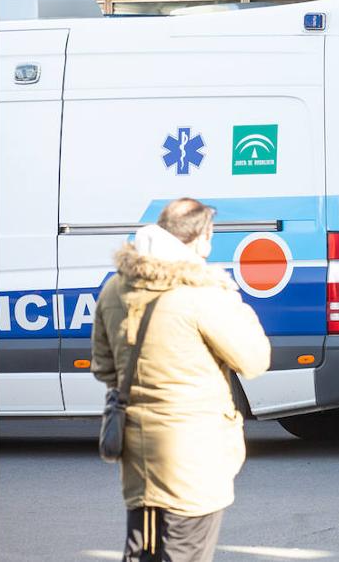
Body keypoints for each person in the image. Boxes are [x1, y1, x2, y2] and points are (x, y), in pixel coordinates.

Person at [92, 198, 270, 562]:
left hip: (139, 460)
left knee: (143, 553)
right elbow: (254, 359)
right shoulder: (202, 295)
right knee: (185, 552)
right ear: (201, 238)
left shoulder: (115, 289)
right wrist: (235, 301)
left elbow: (105, 369)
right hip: (194, 459)